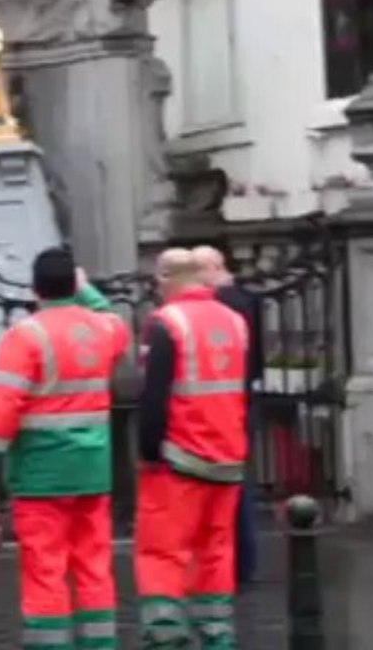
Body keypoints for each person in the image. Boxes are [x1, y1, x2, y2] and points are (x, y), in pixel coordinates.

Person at [0, 248, 130, 649]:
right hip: (93, 472)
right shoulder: (105, 330)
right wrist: (86, 290)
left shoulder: (25, 337)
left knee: (45, 572)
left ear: (34, 289)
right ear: (74, 285)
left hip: (42, 476)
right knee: (94, 568)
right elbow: (110, 314)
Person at [135, 248, 249, 649]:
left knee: (163, 552)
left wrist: (149, 452)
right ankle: (218, 634)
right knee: (216, 551)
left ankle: (167, 637)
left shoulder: (166, 323)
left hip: (180, 457)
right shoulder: (235, 322)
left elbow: (154, 396)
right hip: (228, 455)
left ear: (168, 280)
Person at [193, 245, 263, 590]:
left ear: (213, 268)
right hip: (243, 398)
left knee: (225, 488)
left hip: (222, 405)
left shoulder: (221, 306)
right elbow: (258, 360)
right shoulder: (248, 300)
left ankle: (231, 563)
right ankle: (241, 562)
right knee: (237, 482)